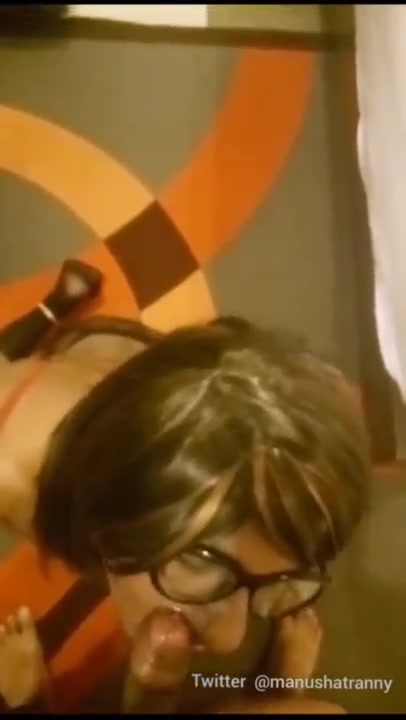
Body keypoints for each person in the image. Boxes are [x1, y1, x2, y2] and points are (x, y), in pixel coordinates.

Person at [0, 312, 370, 712]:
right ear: (112, 500)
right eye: (199, 559)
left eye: (284, 581)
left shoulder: (194, 396)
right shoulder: (13, 480)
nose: (230, 641)